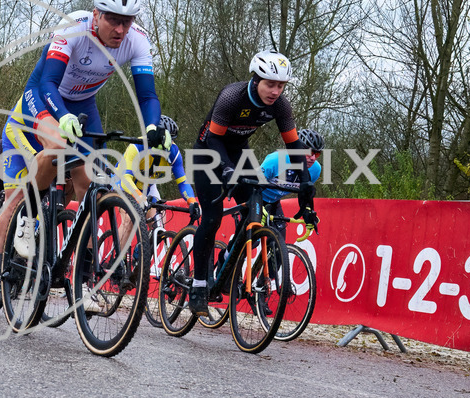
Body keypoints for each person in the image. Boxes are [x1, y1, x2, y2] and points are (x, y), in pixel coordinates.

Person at [0, 0, 167, 299]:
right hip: (44, 96)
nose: (120, 29)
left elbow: (147, 96)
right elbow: (48, 81)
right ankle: (27, 217)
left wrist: (152, 127)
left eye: (127, 21)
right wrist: (60, 116)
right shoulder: (74, 26)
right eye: (113, 20)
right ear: (96, 15)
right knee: (58, 146)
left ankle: (83, 274)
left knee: (91, 182)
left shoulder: (137, 41)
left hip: (84, 103)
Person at [189, 52, 317, 316]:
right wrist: (226, 169)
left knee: (256, 206)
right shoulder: (232, 97)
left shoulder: (280, 105)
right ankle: (198, 285)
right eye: (270, 84)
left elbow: (294, 145)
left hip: (239, 154)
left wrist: (305, 183)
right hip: (207, 151)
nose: (275, 91)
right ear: (256, 79)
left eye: (281, 86)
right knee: (212, 218)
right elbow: (213, 139)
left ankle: (227, 261)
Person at [116, 114, 200, 221]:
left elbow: (183, 182)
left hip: (148, 186)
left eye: (172, 140)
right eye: (168, 139)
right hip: (123, 182)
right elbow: (125, 179)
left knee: (159, 220)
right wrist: (138, 196)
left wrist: (192, 201)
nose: (170, 143)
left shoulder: (174, 153)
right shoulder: (137, 147)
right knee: (129, 220)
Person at [261, 127, 324, 238]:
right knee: (251, 240)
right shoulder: (275, 160)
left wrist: (307, 212)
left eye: (317, 154)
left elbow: (304, 194)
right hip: (255, 197)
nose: (313, 158)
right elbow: (251, 186)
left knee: (279, 239)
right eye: (309, 152)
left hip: (274, 202)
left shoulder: (315, 169)